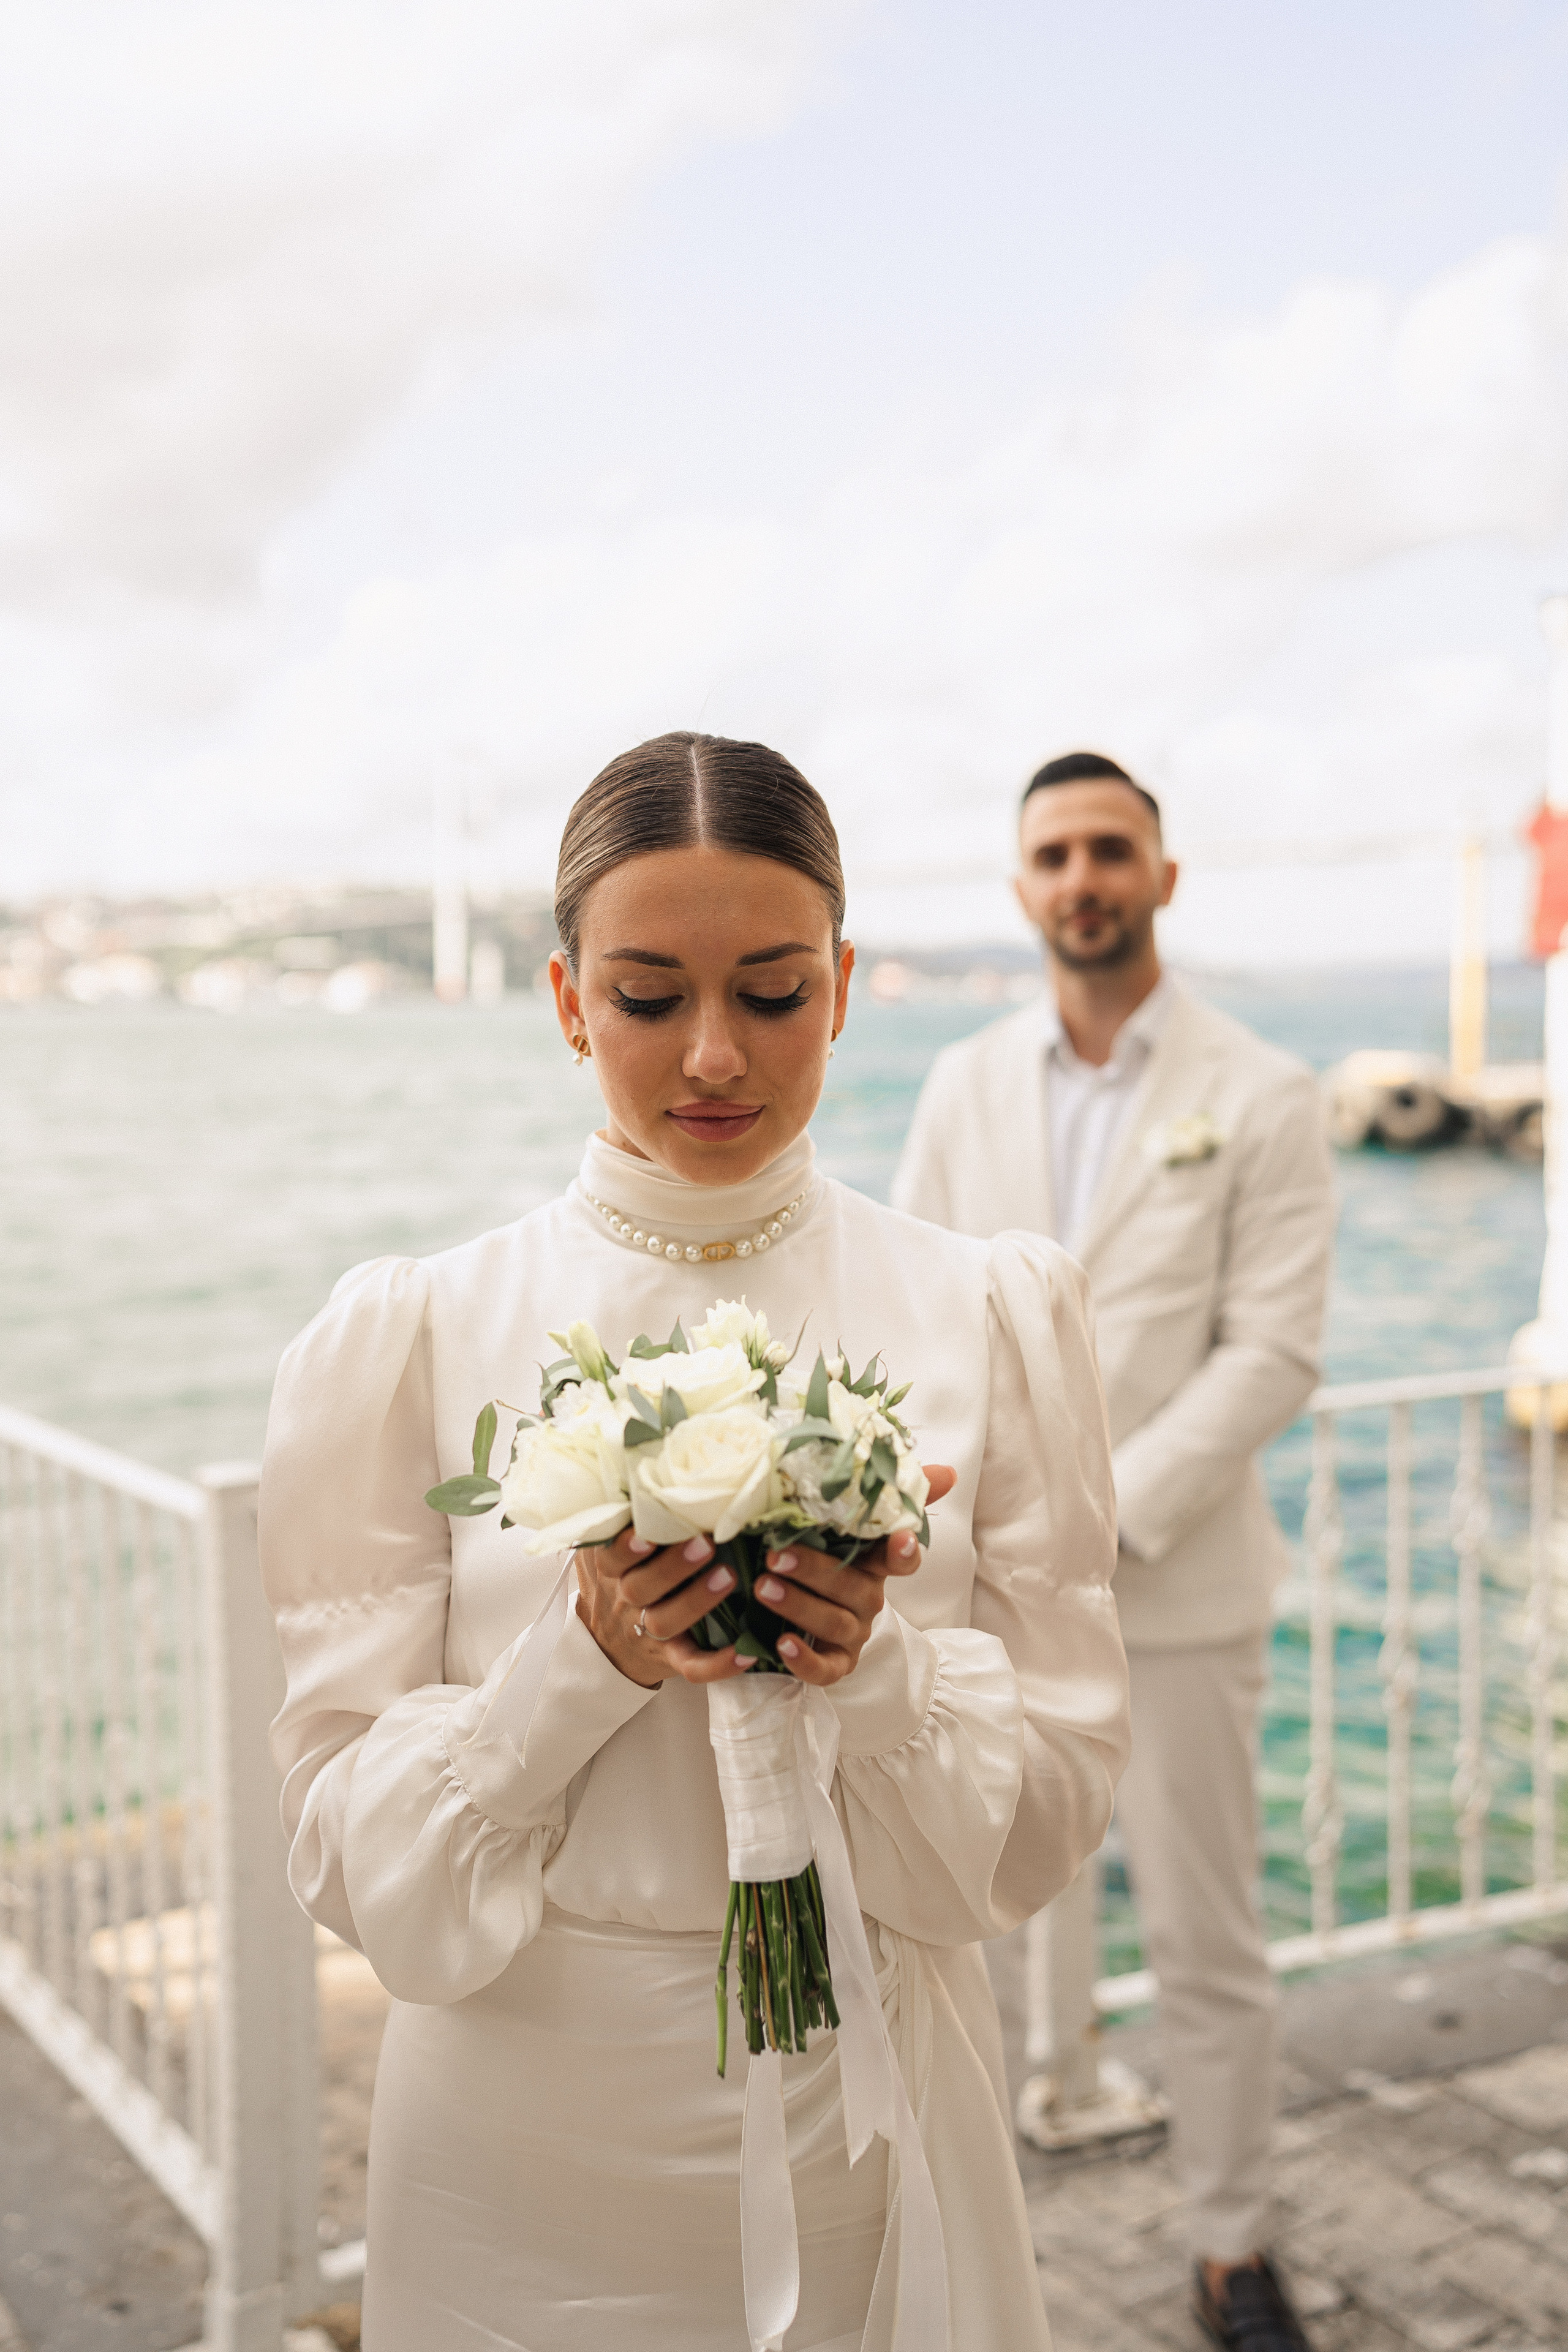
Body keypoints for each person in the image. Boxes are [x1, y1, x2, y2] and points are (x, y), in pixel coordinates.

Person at [259, 731, 1130, 2352]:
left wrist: (869, 1675)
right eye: (651, 998)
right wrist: (577, 1667)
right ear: (570, 996)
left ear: (848, 985)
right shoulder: (419, 1333)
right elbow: (336, 1852)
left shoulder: (989, 1311)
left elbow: (1052, 1816)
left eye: (776, 993)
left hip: (860, 2115)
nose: (716, 1055)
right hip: (518, 2134)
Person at [893, 751, 1333, 2352]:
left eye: (1110, 849)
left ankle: (1233, 2249)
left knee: (1211, 1941)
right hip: (989, 1598)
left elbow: (1274, 1353)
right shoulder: (961, 1088)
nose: (1082, 876)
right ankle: (969, 2254)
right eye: (1054, 854)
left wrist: (1110, 1507)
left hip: (1186, 1595)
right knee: (968, 1930)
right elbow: (919, 1315)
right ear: (1022, 890)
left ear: (1162, 874)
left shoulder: (1265, 1092)